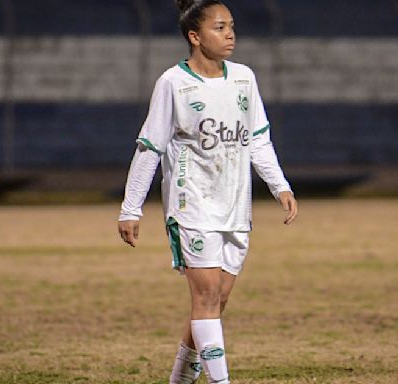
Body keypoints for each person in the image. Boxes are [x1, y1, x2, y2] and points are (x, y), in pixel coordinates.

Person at [118, 1, 298, 383]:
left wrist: (279, 184)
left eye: (231, 26)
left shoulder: (244, 79)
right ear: (195, 37)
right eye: (220, 28)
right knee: (205, 299)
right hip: (192, 204)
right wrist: (131, 208)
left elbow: (258, 139)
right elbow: (150, 147)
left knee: (216, 303)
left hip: (235, 206)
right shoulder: (173, 83)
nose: (230, 34)